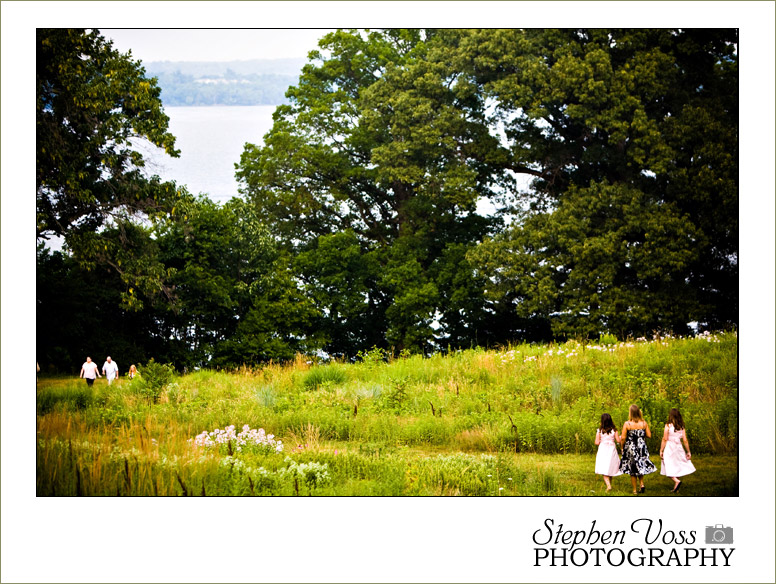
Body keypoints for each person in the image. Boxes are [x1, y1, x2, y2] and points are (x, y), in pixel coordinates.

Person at [619, 404, 657, 494]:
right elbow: (649, 435)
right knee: (640, 464)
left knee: (633, 468)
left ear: (630, 413)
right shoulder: (644, 423)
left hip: (631, 447)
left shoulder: (627, 424)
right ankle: (642, 484)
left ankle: (635, 490)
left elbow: (623, 438)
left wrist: (622, 447)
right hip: (641, 447)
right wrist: (640, 435)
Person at [660, 408, 696, 492]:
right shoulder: (681, 426)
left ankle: (676, 481)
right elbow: (685, 440)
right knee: (676, 465)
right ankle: (676, 487)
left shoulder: (668, 425)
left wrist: (661, 450)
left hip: (670, 447)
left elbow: (665, 438)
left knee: (667, 464)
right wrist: (688, 451)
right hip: (678, 447)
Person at [594, 413, 622, 491]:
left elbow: (596, 442)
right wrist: (621, 436)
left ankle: (609, 486)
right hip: (611, 449)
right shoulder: (614, 430)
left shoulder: (599, 431)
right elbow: (618, 441)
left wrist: (601, 440)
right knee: (610, 467)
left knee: (604, 468)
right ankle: (609, 485)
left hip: (603, 449)